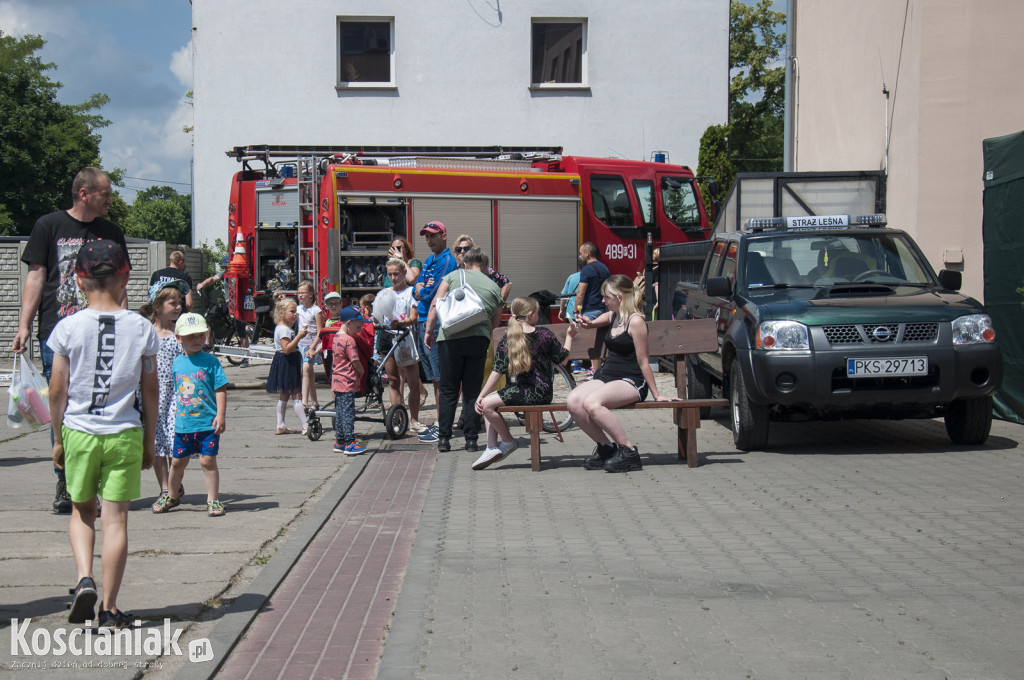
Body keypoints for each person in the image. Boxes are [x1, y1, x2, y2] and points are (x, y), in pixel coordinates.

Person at [46, 239, 159, 627]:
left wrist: (58, 438)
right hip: (124, 431)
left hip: (79, 430)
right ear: (125, 276)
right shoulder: (142, 328)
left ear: (79, 280)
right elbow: (150, 390)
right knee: (116, 521)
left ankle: (83, 579)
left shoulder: (67, 328)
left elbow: (57, 388)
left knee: (82, 511)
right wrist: (149, 440)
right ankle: (109, 610)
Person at [12, 167, 129, 515]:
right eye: (105, 194)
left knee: (99, 403)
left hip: (101, 333)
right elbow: (36, 277)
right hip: (58, 332)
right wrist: (23, 326)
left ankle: (97, 476)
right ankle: (65, 480)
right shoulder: (48, 226)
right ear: (84, 194)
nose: (110, 200)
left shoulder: (111, 232)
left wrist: (123, 328)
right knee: (60, 406)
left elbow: (120, 284)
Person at [566, 274, 677, 473]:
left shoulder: (636, 322)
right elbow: (600, 320)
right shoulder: (614, 316)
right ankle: (606, 448)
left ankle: (628, 451)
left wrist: (657, 394)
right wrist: (589, 324)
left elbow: (644, 361)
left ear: (619, 297)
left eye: (606, 297)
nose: (602, 301)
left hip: (631, 379)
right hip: (607, 375)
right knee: (573, 401)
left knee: (592, 403)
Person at [472, 297, 578, 470]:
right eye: (537, 312)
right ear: (531, 315)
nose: (539, 315)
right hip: (540, 390)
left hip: (531, 391)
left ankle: (507, 442)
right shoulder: (544, 334)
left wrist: (481, 394)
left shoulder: (509, 338)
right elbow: (563, 359)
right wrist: (569, 336)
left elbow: (497, 371)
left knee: (487, 403)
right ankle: (491, 447)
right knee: (488, 401)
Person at [422, 247, 504, 452]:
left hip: (450, 338)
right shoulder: (493, 286)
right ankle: (471, 440)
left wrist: (429, 330)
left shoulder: (452, 276)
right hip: (478, 340)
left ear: (465, 264)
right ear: (484, 266)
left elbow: (435, 304)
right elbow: (495, 321)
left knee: (449, 389)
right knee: (472, 390)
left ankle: (444, 439)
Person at [152, 313, 229, 517]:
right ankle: (171, 494)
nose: (196, 340)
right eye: (190, 336)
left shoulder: (211, 362)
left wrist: (220, 415)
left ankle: (213, 499)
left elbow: (220, 389)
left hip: (207, 423)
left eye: (200, 336)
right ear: (179, 338)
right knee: (177, 462)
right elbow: (175, 390)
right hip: (184, 424)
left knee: (207, 462)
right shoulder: (177, 363)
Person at [138, 279, 190, 502]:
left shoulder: (181, 334)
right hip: (153, 397)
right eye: (172, 303)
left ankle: (174, 483)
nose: (178, 307)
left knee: (173, 442)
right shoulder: (146, 333)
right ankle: (165, 488)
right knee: (156, 443)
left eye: (179, 302)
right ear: (157, 306)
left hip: (176, 397)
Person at [413, 221, 458, 410]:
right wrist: (421, 287)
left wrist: (422, 289)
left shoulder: (447, 261)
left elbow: (432, 294)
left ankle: (442, 423)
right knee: (433, 377)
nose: (429, 240)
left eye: (433, 235)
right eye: (427, 236)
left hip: (436, 322)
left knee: (441, 378)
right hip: (422, 321)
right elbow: (415, 288)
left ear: (444, 236)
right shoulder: (429, 261)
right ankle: (440, 423)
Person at [380, 258, 425, 432]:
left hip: (405, 338)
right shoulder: (385, 292)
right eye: (390, 274)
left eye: (396, 274)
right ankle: (397, 418)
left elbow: (413, 317)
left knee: (413, 382)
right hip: (388, 337)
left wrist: (402, 322)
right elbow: (379, 316)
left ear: (404, 273)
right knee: (393, 380)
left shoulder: (410, 293)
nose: (393, 278)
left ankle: (414, 420)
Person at [196, 257, 252, 367]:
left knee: (240, 330)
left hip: (238, 305)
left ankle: (245, 358)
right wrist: (202, 284)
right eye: (224, 268)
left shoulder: (240, 274)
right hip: (228, 304)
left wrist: (234, 298)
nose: (226, 270)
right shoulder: (224, 274)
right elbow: (212, 279)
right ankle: (208, 343)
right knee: (208, 317)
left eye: (228, 267)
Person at [265, 294, 308, 435]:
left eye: (296, 311)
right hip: (287, 362)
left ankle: (281, 425)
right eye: (292, 311)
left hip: (286, 361)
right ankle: (306, 425)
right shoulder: (284, 330)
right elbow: (286, 349)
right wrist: (299, 336)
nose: (295, 314)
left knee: (284, 394)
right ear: (282, 313)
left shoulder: (283, 327)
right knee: (296, 393)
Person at [331, 306, 368, 455]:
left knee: (340, 412)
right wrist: (361, 371)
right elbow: (355, 360)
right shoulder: (349, 340)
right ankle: (350, 443)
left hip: (337, 381)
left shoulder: (336, 337)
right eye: (358, 325)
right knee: (348, 413)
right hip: (347, 381)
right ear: (348, 323)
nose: (360, 328)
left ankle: (339, 441)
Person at [575, 241, 610, 373]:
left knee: (590, 343)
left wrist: (576, 309)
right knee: (600, 342)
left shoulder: (586, 270)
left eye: (580, 253)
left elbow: (581, 292)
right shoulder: (605, 268)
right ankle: (598, 370)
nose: (579, 256)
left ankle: (594, 372)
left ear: (587, 253)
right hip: (603, 309)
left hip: (590, 309)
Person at [452, 234, 512, 300]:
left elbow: (507, 283)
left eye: (466, 248)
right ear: (455, 253)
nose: (462, 251)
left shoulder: (484, 269)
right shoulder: (453, 270)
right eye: (458, 249)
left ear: (472, 251)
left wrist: (499, 305)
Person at [295, 280, 324, 411]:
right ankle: (315, 402)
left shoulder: (316, 311)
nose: (300, 295)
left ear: (311, 294)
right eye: (298, 293)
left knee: (305, 370)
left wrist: (313, 348)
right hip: (300, 345)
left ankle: (304, 402)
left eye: (303, 293)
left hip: (311, 345)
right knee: (310, 375)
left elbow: (320, 332)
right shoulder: (297, 309)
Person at [320, 291, 344, 383]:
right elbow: (324, 341)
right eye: (330, 304)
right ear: (326, 306)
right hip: (330, 352)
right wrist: (314, 350)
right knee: (332, 378)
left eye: (336, 303)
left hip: (342, 352)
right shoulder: (327, 322)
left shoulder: (344, 320)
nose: (333, 306)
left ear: (341, 304)